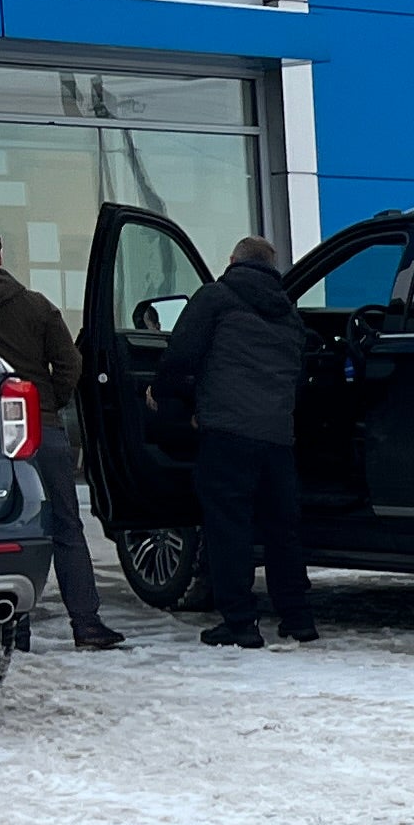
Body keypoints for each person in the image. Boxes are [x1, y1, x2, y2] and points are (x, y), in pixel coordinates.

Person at [0, 220, 122, 651]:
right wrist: (48, 404)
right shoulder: (35, 306)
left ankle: (8, 628)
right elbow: (71, 364)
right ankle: (87, 624)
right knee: (65, 526)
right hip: (39, 428)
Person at [153, 234, 319, 649]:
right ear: (272, 266)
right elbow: (297, 375)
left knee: (229, 527)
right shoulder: (288, 312)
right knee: (283, 529)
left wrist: (168, 398)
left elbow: (181, 355)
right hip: (278, 437)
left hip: (227, 433)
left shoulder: (215, 298)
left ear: (232, 260)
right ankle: (298, 618)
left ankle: (240, 622)